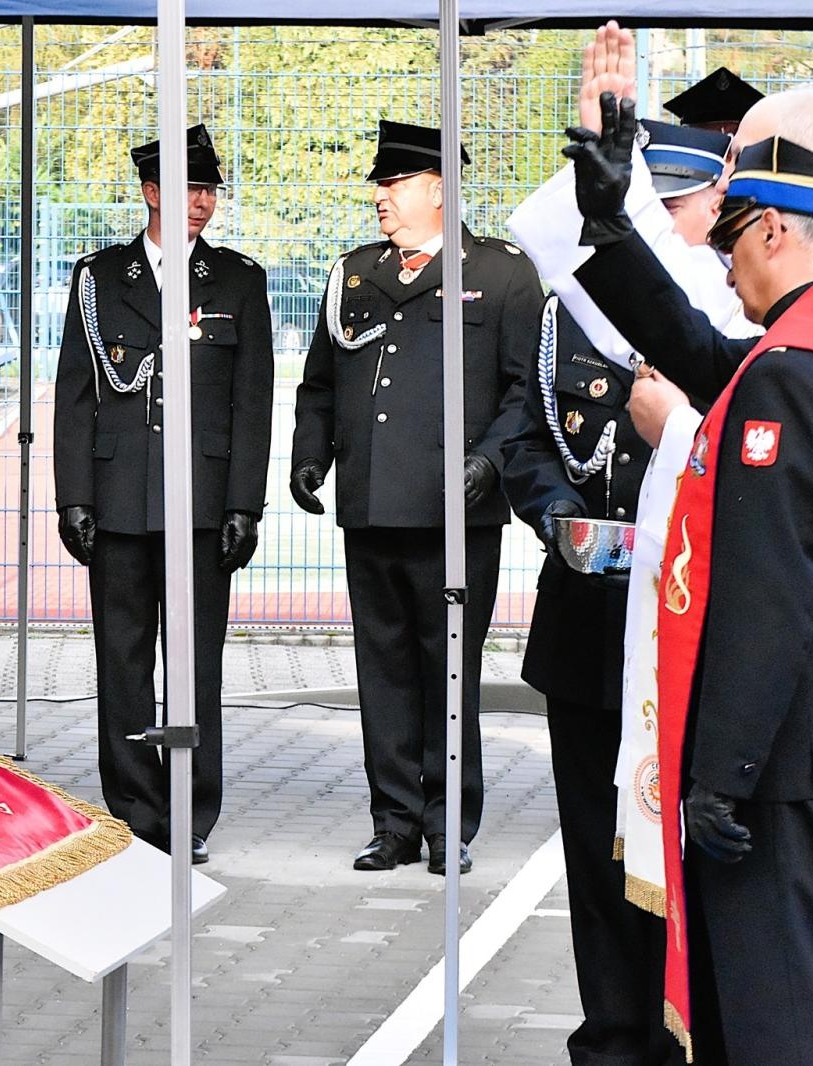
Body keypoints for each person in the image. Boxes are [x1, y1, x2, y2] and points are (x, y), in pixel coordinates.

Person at [564, 38, 813, 1060]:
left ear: (780, 228)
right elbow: (709, 360)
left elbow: (768, 595)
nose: (719, 253)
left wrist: (722, 776)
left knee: (783, 1020)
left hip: (778, 759)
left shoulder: (795, 377)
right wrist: (609, 227)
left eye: (733, 231)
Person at [497, 116, 731, 1066]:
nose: (678, 222)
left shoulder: (726, 317)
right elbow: (519, 426)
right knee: (598, 849)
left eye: (684, 205)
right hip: (588, 619)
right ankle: (614, 1035)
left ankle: (684, 1028)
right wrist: (554, 511)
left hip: (683, 626)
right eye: (661, 205)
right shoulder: (571, 308)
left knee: (676, 847)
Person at [290, 120, 541, 874]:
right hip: (371, 504)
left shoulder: (499, 274)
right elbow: (321, 383)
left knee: (450, 669)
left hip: (453, 512)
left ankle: (447, 824)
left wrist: (489, 464)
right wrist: (311, 457)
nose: (380, 198)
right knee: (385, 669)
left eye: (394, 184)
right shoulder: (356, 273)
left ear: (439, 189)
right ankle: (393, 819)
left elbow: (526, 388)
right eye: (379, 184)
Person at [52, 124, 273, 864]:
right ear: (151, 192)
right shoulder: (100, 278)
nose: (203, 202)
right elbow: (74, 397)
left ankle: (190, 810)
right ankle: (133, 807)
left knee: (195, 660)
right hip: (117, 496)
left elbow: (253, 401)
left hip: (202, 500)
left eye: (210, 188)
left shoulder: (239, 280)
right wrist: (71, 497)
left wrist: (245, 505)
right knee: (121, 659)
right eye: (189, 188)